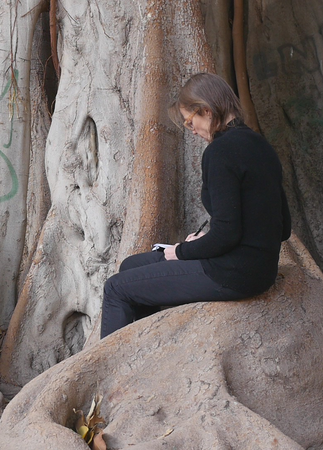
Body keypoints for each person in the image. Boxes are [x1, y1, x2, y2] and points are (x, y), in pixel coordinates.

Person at [100, 73, 291, 339]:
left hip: (233, 275)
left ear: (206, 110)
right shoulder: (262, 146)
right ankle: (146, 348)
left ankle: (113, 364)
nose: (191, 130)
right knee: (131, 266)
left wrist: (182, 251)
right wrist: (205, 242)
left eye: (190, 121)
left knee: (115, 288)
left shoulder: (220, 152)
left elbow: (227, 234)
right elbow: (284, 228)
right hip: (259, 270)